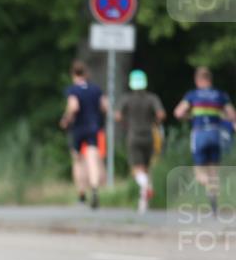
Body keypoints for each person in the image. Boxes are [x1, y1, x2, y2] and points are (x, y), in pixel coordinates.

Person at [173, 66, 236, 217]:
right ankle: (214, 206)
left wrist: (190, 116)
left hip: (200, 134)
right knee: (214, 171)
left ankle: (208, 185)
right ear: (210, 79)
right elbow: (232, 115)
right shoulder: (220, 95)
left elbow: (178, 112)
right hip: (215, 134)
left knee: (199, 172)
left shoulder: (193, 95)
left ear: (198, 79)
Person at [115, 70, 166, 214]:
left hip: (133, 136)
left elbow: (118, 116)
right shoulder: (152, 98)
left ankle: (145, 187)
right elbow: (161, 114)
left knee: (137, 170)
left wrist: (126, 123)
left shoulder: (126, 99)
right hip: (149, 136)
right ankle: (143, 203)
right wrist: (154, 122)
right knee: (147, 168)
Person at [60, 61, 108, 209]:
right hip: (94, 127)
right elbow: (105, 107)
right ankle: (94, 189)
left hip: (78, 128)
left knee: (78, 161)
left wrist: (66, 119)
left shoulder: (73, 90)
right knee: (92, 158)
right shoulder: (96, 89)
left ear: (73, 74)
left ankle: (81, 195)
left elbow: (74, 106)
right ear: (86, 74)